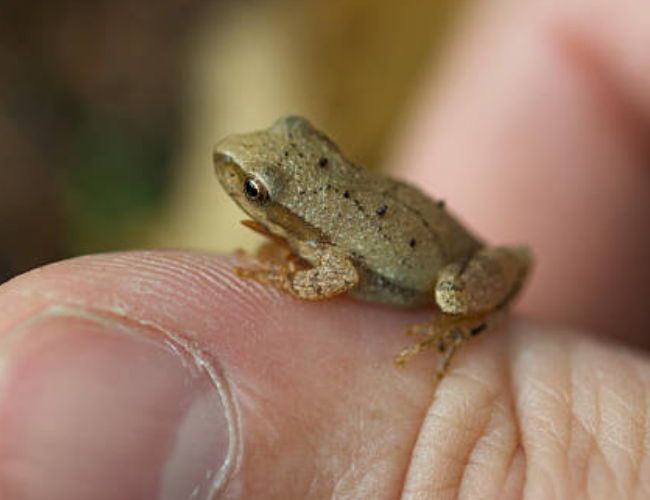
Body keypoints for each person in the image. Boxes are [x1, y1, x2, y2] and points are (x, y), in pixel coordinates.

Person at [0, 1, 648, 498]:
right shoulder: (306, 219)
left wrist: (287, 279)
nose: (241, 185)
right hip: (405, 230)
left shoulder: (320, 238)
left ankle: (468, 321)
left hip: (440, 270)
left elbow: (335, 274)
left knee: (451, 293)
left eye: (255, 192)